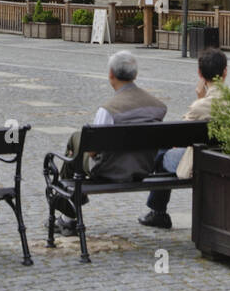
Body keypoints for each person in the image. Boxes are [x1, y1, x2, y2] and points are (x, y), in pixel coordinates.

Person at [53, 50, 167, 235]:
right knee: (77, 144)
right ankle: (68, 212)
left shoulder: (108, 110)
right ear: (135, 75)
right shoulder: (157, 106)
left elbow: (92, 152)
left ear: (111, 75)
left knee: (75, 148)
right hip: (143, 167)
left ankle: (68, 217)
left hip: (109, 170)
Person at [139, 48, 228, 229]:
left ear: (200, 73)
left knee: (163, 153)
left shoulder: (200, 106)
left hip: (199, 160)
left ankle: (158, 211)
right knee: (164, 150)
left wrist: (199, 99)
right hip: (224, 156)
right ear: (225, 72)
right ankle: (157, 210)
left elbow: (179, 134)